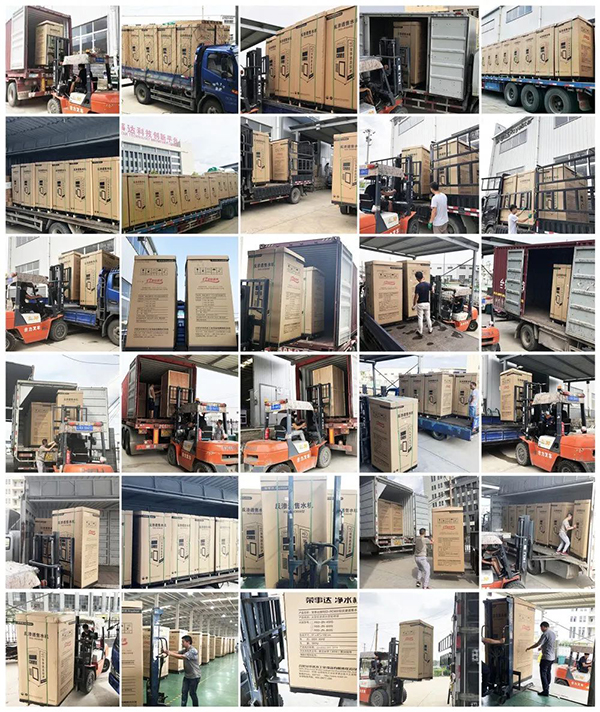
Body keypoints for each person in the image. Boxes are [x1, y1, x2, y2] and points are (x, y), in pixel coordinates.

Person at [165, 635, 201, 706]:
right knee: (184, 692)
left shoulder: (193, 651)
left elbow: (182, 657)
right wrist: (167, 651)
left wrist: (170, 654)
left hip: (194, 676)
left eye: (183, 642)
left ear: (188, 642)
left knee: (192, 693)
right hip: (187, 676)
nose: (182, 643)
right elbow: (178, 652)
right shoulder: (185, 650)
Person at [526, 621, 556, 697]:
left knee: (543, 674)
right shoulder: (553, 633)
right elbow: (548, 643)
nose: (541, 629)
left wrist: (529, 648)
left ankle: (545, 691)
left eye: (541, 628)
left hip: (546, 657)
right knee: (548, 672)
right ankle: (547, 686)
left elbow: (538, 643)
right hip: (552, 657)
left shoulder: (545, 634)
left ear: (543, 627)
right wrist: (541, 647)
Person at [413, 270, 433, 339]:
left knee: (420, 318)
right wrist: (433, 287)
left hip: (420, 304)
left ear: (417, 278)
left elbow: (416, 297)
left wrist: (414, 305)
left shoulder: (418, 286)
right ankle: (430, 329)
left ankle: (420, 331)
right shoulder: (428, 284)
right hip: (427, 303)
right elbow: (432, 291)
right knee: (428, 317)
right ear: (422, 276)